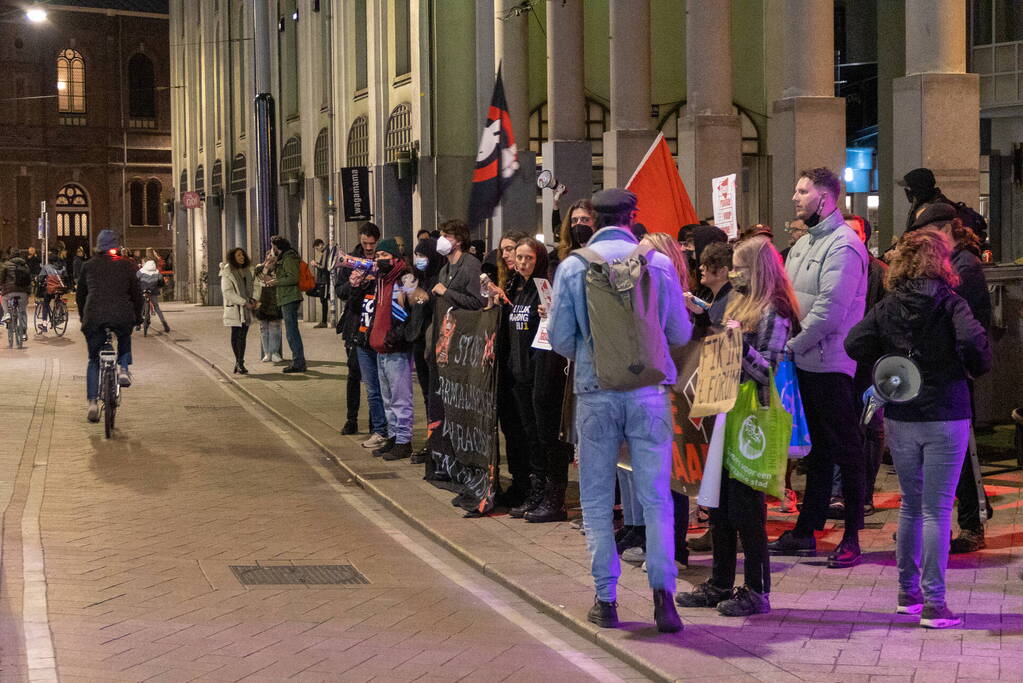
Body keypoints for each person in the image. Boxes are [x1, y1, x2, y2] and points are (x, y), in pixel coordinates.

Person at [549, 188, 691, 634]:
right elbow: (680, 330)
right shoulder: (661, 264)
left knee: (594, 498)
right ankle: (664, 597)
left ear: (590, 217)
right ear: (635, 216)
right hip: (649, 391)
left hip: (596, 391)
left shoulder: (573, 266)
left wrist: (594, 355)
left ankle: (606, 600)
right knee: (655, 497)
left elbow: (560, 339)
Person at [846, 228, 991, 629]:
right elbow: (975, 346)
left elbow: (855, 343)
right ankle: (934, 603)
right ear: (940, 260)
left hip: (902, 413)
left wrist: (890, 363)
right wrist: (967, 370)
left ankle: (906, 593)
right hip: (946, 410)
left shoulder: (889, 305)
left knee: (911, 505)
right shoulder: (950, 303)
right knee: (937, 509)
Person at [677, 235, 799, 617]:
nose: (735, 274)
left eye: (741, 268)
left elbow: (768, 370)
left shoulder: (774, 310)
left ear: (758, 269)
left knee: (747, 509)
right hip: (726, 412)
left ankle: (757, 590)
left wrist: (736, 344)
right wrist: (705, 319)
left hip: (753, 418)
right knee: (722, 505)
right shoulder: (742, 303)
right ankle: (720, 581)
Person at [768, 167, 868, 569]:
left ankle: (852, 535)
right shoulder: (805, 243)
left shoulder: (843, 245)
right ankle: (807, 530)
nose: (795, 197)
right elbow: (788, 298)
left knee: (845, 448)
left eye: (802, 191)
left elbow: (829, 311)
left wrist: (791, 346)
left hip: (829, 363)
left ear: (825, 199)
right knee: (820, 451)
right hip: (804, 360)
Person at [911, 204, 994, 553]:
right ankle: (957, 519)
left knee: (962, 454)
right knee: (948, 455)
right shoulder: (953, 264)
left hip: (955, 373)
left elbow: (969, 327)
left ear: (942, 230)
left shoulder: (965, 267)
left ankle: (973, 523)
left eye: (922, 232)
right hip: (940, 372)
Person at [505, 237, 574, 523]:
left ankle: (554, 497)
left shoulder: (546, 288)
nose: (522, 263)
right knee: (531, 437)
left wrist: (551, 313)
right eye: (519, 257)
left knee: (548, 438)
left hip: (544, 376)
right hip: (521, 375)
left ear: (539, 259)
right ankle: (537, 492)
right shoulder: (518, 287)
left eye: (528, 258)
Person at [76, 230, 143, 422]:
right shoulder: (127, 265)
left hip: (94, 317)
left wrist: (84, 317)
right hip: (121, 315)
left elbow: (81, 295)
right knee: (124, 335)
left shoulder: (88, 266)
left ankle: (92, 403)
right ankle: (123, 369)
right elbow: (136, 295)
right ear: (116, 246)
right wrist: (137, 318)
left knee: (93, 360)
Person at [338, 222, 388, 448]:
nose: (368, 247)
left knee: (375, 379)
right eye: (365, 243)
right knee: (353, 373)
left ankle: (375, 424)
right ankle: (351, 419)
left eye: (372, 243)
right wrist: (352, 283)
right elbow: (340, 292)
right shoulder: (350, 261)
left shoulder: (383, 259)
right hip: (355, 323)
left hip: (376, 323)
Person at [408, 237, 446, 461]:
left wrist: (421, 297)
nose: (419, 260)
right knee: (426, 394)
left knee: (435, 395)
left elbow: (430, 302)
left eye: (423, 256)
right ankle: (432, 439)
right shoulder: (418, 278)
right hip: (419, 340)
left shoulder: (437, 278)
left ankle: (439, 442)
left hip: (433, 344)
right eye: (417, 256)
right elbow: (412, 304)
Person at [267, 235, 306, 373]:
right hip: (286, 297)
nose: (272, 249)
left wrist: (276, 281)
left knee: (291, 332)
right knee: (291, 331)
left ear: (277, 246)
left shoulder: (289, 257)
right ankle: (298, 361)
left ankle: (298, 362)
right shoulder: (283, 257)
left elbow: (293, 277)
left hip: (290, 297)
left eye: (273, 246)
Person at [432, 219, 485, 311]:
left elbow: (479, 302)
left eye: (446, 236)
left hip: (466, 322)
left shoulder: (471, 265)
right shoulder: (444, 270)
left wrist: (446, 292)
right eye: (441, 236)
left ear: (459, 241)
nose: (441, 240)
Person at [221, 248, 255, 374]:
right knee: (237, 335)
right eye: (239, 255)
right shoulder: (227, 272)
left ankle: (239, 362)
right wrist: (243, 302)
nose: (242, 257)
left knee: (243, 336)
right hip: (235, 308)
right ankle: (239, 362)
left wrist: (252, 299)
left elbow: (253, 286)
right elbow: (227, 292)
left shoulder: (247, 270)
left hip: (246, 308)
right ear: (233, 258)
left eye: (243, 255)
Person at [686, 241, 733, 329]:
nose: (700, 268)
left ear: (722, 271)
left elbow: (715, 336)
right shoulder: (723, 296)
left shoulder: (728, 302)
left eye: (706, 264)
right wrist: (698, 309)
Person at [902, 167, 955, 235]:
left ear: (918, 187)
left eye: (909, 187)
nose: (907, 191)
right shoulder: (929, 203)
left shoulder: (933, 209)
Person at [253, 252, 283, 363]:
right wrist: (265, 268)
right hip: (262, 301)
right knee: (263, 329)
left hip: (275, 301)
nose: (271, 257)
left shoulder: (279, 269)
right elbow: (259, 281)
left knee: (275, 328)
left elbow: (275, 282)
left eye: (273, 255)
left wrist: (270, 280)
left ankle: (274, 352)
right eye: (269, 255)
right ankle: (267, 353)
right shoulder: (259, 268)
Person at [1, 250, 32, 348]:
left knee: (3, 299)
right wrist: (28, 292)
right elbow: (29, 279)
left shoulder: (6, 265)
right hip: (23, 292)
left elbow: (1, 278)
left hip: (9, 291)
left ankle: (6, 314)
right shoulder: (25, 265)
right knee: (22, 312)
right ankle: (23, 333)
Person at [137, 259, 171, 333]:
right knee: (156, 307)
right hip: (153, 292)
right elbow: (161, 283)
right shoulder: (157, 273)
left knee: (141, 307)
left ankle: (138, 324)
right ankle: (164, 323)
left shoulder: (140, 272)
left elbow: (136, 280)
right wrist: (158, 287)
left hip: (143, 291)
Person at [310, 238, 331, 328]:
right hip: (321, 280)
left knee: (323, 300)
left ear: (320, 245)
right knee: (311, 291)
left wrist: (315, 264)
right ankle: (327, 295)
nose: (317, 250)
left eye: (316, 248)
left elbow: (324, 267)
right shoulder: (325, 252)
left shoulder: (326, 251)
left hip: (324, 280)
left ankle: (324, 321)